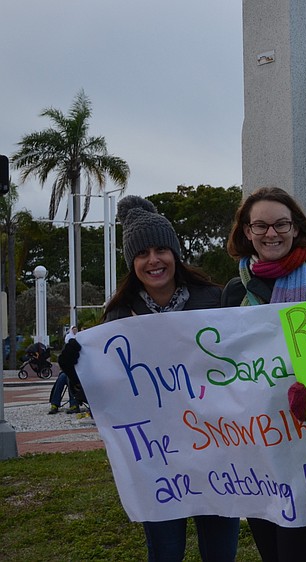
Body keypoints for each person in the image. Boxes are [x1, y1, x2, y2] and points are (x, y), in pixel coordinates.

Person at [60, 195, 240, 562]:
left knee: (221, 553)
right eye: (142, 253)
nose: (153, 260)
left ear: (175, 254)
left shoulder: (214, 301)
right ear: (132, 262)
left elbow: (242, 366)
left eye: (161, 250)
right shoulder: (117, 318)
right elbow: (108, 397)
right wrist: (77, 374)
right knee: (165, 552)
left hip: (218, 450)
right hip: (158, 460)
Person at [221, 186, 306, 562]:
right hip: (256, 447)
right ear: (247, 232)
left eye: (281, 224)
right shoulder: (233, 292)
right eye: (260, 226)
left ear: (296, 228)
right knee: (271, 553)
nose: (271, 233)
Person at [48, 326, 81, 414]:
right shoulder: (68, 343)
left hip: (80, 372)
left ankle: (74, 404)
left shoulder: (81, 345)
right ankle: (54, 404)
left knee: (69, 377)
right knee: (62, 377)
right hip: (72, 370)